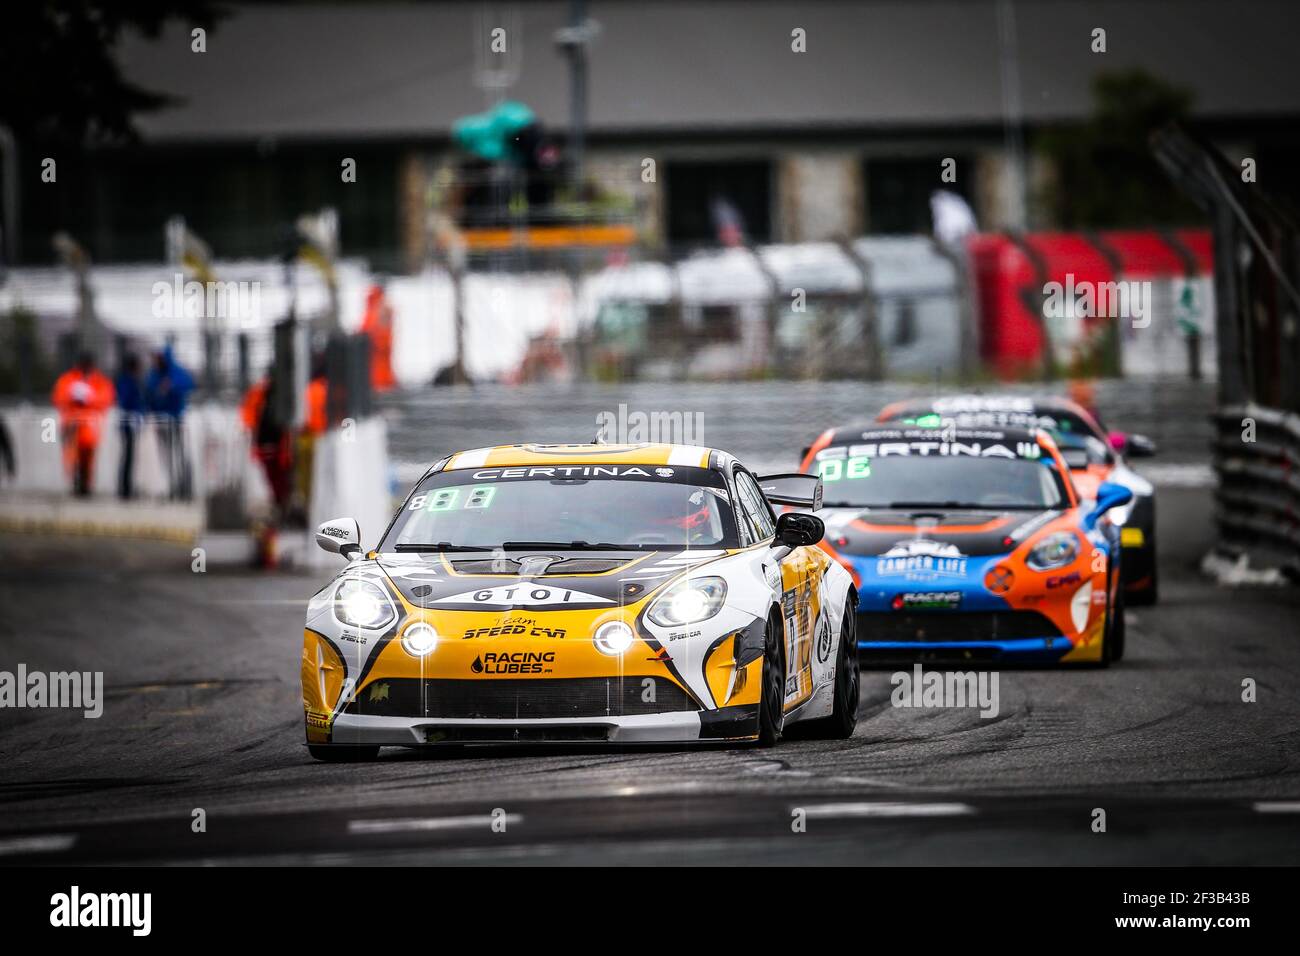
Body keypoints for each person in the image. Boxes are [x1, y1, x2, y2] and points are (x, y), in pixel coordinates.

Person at [51, 352, 115, 496]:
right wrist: (73, 396)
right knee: (73, 459)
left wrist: (89, 398)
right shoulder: (68, 380)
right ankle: (77, 484)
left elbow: (106, 399)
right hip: (72, 427)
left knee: (88, 460)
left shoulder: (99, 381)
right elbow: (59, 397)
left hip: (90, 429)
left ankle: (86, 486)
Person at [144, 346, 195, 499]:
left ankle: (184, 487)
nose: (156, 361)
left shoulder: (176, 372)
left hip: (175, 419)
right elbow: (149, 393)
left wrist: (171, 386)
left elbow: (188, 384)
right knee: (166, 455)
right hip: (161, 420)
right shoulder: (153, 374)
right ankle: (171, 486)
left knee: (179, 454)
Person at [114, 353, 144, 499]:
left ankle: (126, 488)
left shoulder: (128, 381)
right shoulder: (128, 382)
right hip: (128, 423)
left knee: (128, 457)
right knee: (128, 457)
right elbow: (127, 402)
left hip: (129, 422)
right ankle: (125, 489)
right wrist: (134, 415)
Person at [359, 284, 396, 393]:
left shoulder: (381, 310)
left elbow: (382, 339)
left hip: (377, 367)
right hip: (372, 365)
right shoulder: (375, 310)